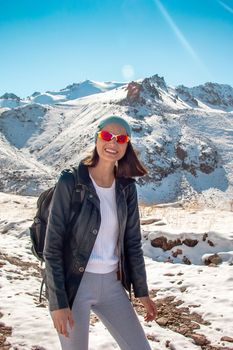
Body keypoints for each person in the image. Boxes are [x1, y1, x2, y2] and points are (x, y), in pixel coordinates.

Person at [44, 115, 157, 350]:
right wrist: (58, 303)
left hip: (113, 286)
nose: (112, 143)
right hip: (75, 286)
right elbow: (52, 248)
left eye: (121, 138)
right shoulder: (71, 182)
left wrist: (142, 291)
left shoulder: (126, 187)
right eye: (107, 136)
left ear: (127, 145)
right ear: (97, 138)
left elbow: (132, 243)